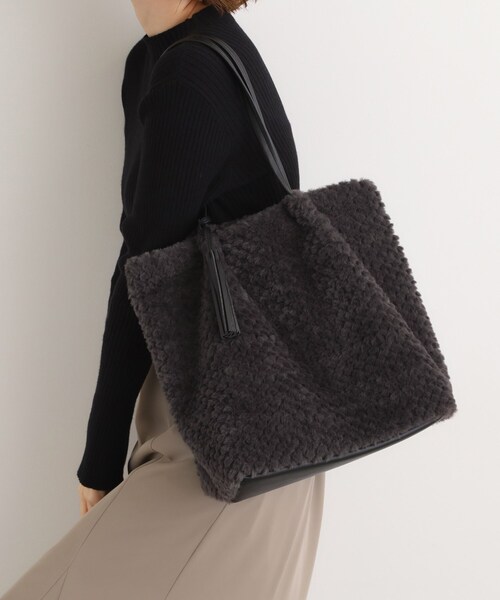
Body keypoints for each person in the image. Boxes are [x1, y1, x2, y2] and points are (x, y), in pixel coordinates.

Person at [1, 1, 325, 598]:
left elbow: (141, 273)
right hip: (239, 420)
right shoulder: (154, 61)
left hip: (234, 436)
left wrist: (99, 459)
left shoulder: (192, 71)